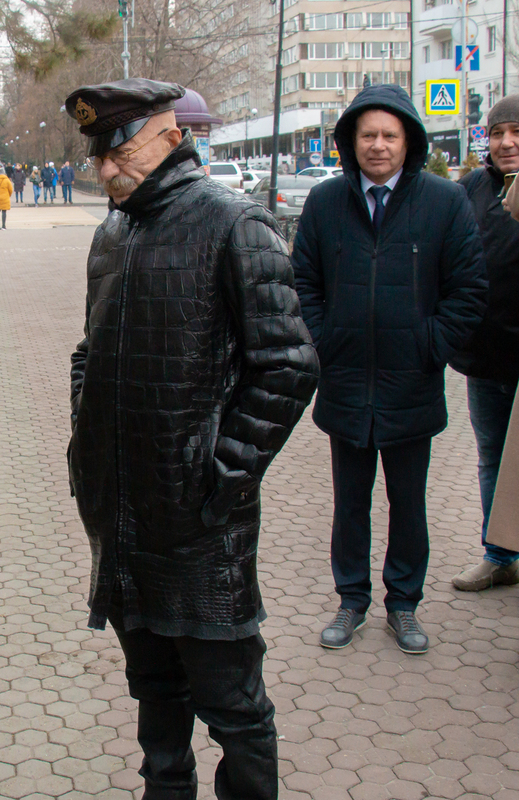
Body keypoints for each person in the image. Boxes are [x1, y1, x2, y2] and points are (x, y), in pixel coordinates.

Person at [66, 79, 318, 800]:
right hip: (123, 519)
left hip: (203, 529)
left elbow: (289, 364)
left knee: (234, 709)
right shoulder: (112, 231)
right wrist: (85, 441)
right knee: (154, 693)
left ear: (171, 136)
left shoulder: (234, 222)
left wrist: (223, 472)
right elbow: (90, 350)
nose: (105, 168)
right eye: (97, 154)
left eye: (119, 149)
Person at [292, 84, 487, 654]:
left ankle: (403, 604)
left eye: (389, 135)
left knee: (409, 503)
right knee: (350, 503)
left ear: (409, 142)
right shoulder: (327, 203)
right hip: (347, 381)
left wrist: (430, 345)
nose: (378, 146)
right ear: (351, 142)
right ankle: (351, 600)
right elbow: (302, 282)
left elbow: (469, 290)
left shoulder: (443, 203)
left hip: (412, 383)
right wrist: (326, 342)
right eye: (368, 135)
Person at [450, 93, 519, 591]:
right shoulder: (471, 188)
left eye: (516, 132)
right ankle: (499, 555)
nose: (506, 142)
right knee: (492, 455)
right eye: (497, 133)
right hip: (487, 357)